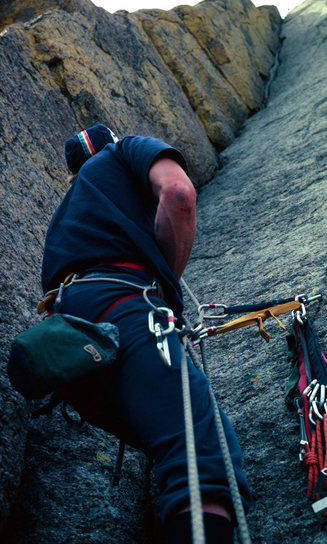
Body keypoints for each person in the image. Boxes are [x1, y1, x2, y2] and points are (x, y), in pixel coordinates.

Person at [41, 124, 251, 543]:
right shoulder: (126, 152)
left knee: (173, 444)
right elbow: (178, 195)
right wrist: (163, 291)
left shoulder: (70, 209)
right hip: (125, 307)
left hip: (72, 339)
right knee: (204, 458)